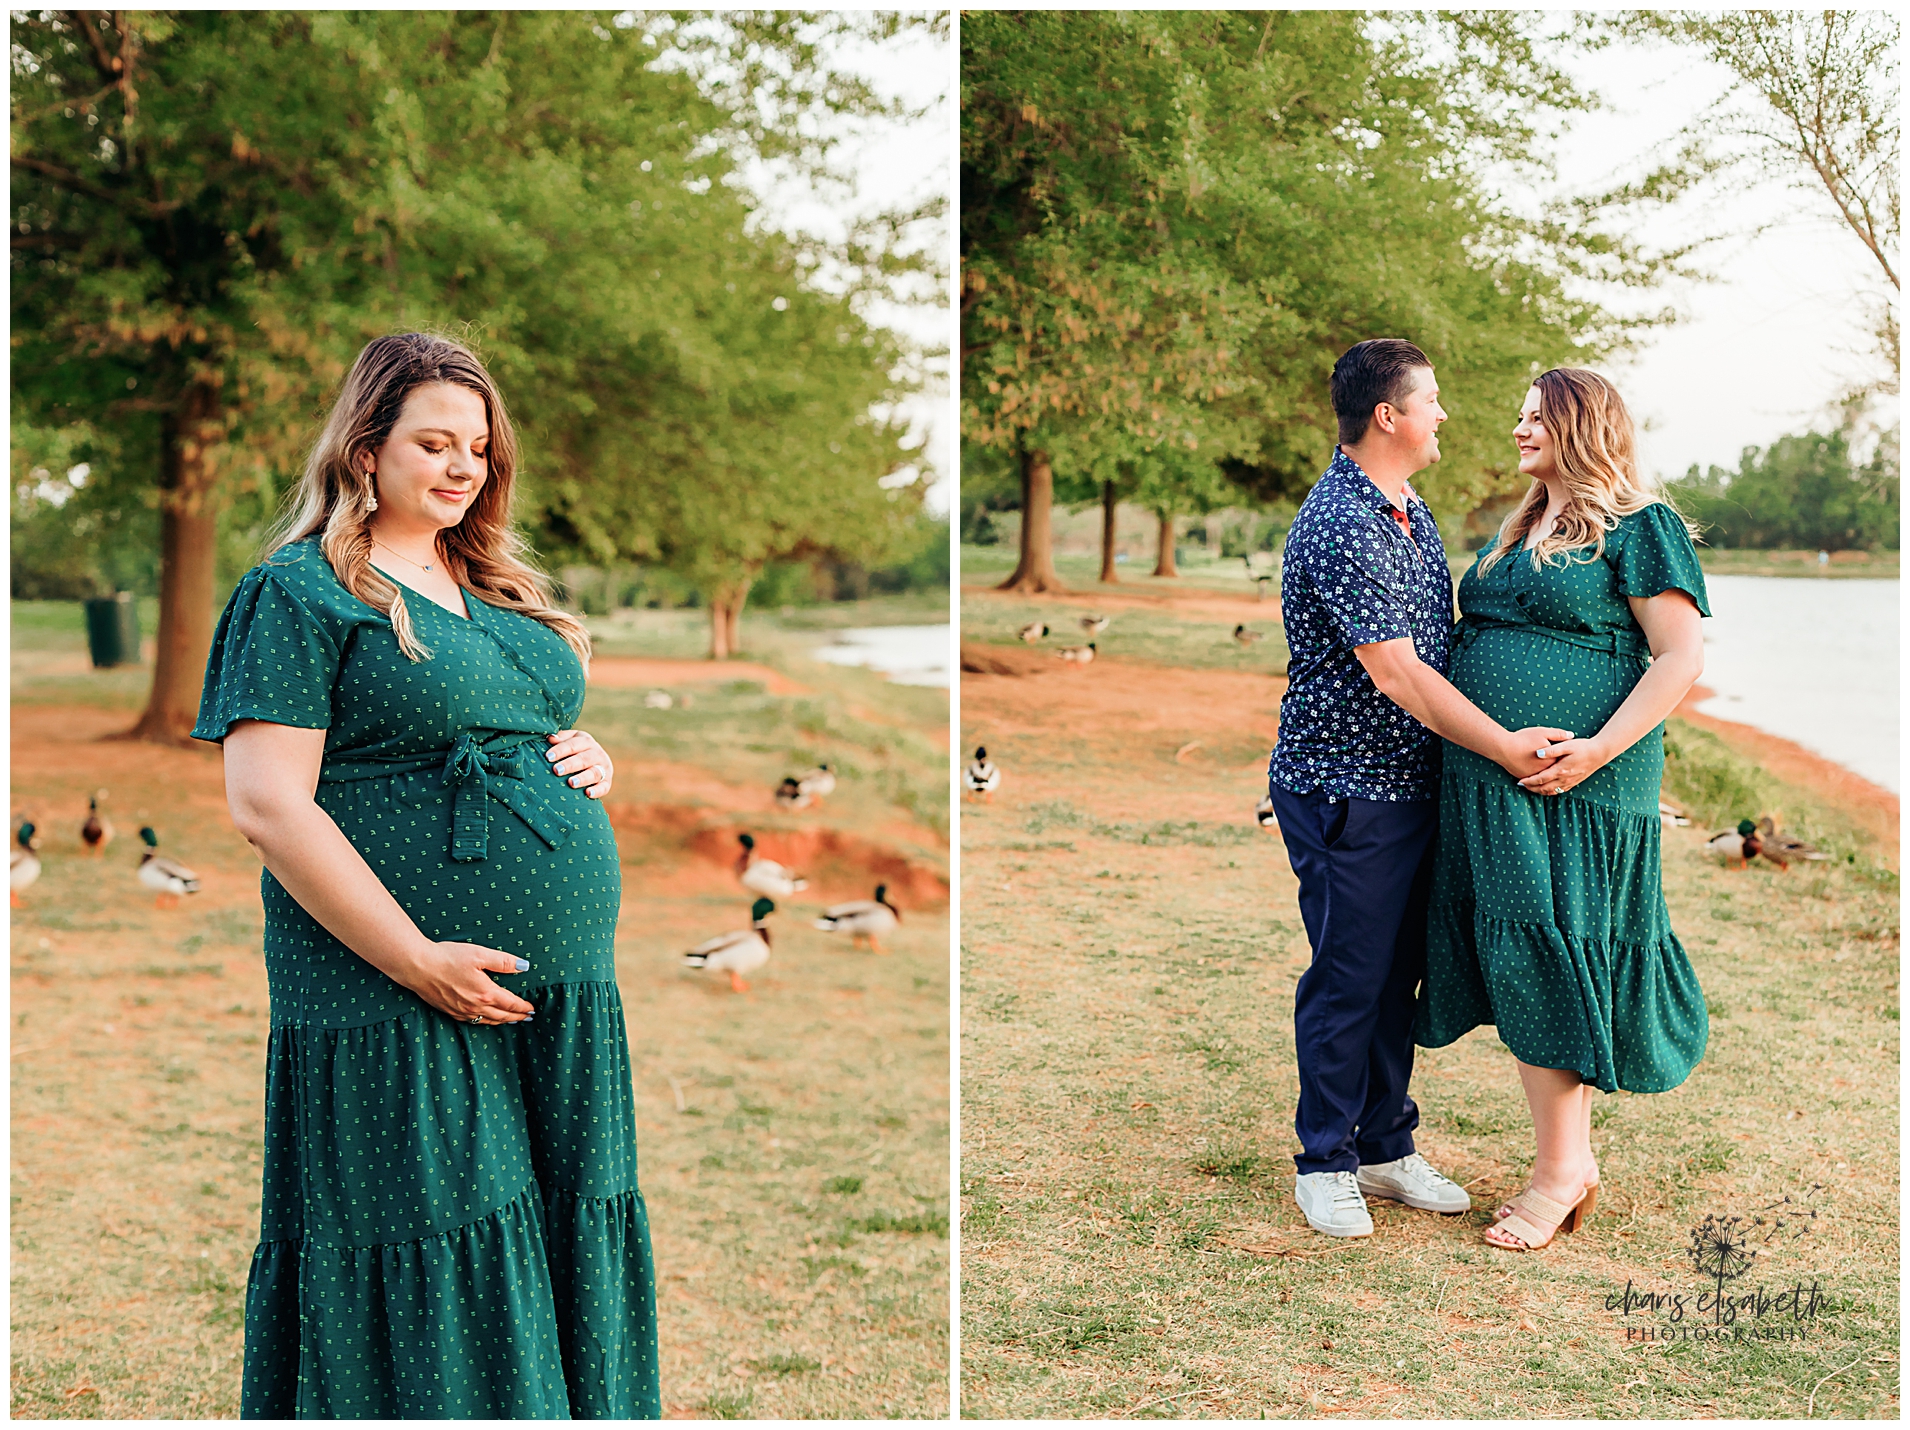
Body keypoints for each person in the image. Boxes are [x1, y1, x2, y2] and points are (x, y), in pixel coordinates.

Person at [192, 332, 661, 1416]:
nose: (462, 467)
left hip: (563, 988)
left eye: (479, 449)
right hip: (389, 982)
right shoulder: (301, 594)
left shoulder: (488, 583)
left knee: (551, 1220)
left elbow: (521, 724)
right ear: (365, 447)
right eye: (434, 443)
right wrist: (415, 957)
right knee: (437, 1234)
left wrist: (587, 757)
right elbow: (266, 799)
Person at [1268, 338, 1573, 1239]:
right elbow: (1399, 673)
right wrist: (1506, 746)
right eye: (1430, 400)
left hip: (1410, 785)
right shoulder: (1342, 521)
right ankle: (1323, 1159)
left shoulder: (1408, 508)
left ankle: (1385, 1146)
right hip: (1343, 786)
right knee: (1349, 975)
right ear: (1389, 416)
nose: (1444, 413)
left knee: (1398, 974)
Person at [1416, 368, 1709, 1252]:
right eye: (1519, 415)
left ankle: (1562, 1171)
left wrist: (1594, 752)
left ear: (1582, 426)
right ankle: (1561, 1163)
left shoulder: (1640, 527)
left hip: (1578, 789)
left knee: (1551, 953)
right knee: (1520, 954)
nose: (1518, 428)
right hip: (1492, 781)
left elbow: (1680, 657)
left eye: (1536, 417)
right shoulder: (1523, 524)